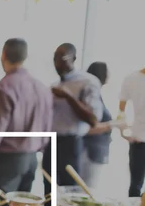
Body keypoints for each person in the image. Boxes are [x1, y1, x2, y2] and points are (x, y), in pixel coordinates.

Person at [0, 38, 53, 196]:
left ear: (3, 54)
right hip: (31, 160)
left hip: (6, 163)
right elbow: (47, 129)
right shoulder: (42, 89)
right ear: (25, 57)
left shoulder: (3, 89)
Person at [42, 43, 103, 196]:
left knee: (69, 191)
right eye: (55, 59)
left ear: (74, 58)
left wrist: (68, 97)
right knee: (49, 188)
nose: (57, 63)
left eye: (62, 58)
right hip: (51, 143)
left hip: (71, 143)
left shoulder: (87, 82)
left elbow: (93, 119)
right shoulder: (54, 85)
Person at [82, 62, 114, 189]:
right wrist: (112, 125)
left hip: (95, 152)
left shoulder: (96, 95)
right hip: (89, 152)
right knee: (86, 190)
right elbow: (87, 128)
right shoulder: (91, 95)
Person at [118, 67, 145, 196]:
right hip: (139, 139)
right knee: (135, 185)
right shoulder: (131, 79)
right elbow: (121, 110)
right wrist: (124, 130)